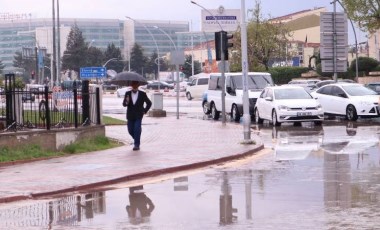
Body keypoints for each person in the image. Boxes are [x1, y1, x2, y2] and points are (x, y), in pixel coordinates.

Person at [122, 81, 152, 151]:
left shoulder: (142, 94)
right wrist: (127, 101)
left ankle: (136, 145)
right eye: (133, 85)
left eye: (136, 85)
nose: (134, 86)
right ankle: (136, 137)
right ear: (131, 85)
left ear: (138, 85)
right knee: (130, 130)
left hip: (139, 115)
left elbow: (149, 103)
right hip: (130, 115)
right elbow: (124, 104)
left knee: (136, 129)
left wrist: (145, 110)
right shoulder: (127, 93)